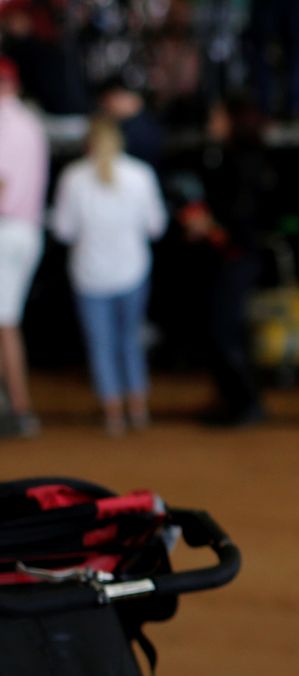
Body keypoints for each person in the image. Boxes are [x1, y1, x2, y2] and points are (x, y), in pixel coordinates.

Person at [50, 116, 167, 436]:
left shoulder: (73, 178)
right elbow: (156, 226)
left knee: (102, 344)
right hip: (133, 269)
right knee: (130, 338)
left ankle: (113, 413)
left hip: (89, 274)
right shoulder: (140, 174)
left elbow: (63, 230)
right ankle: (138, 408)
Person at [181, 96, 271, 427]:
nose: (211, 123)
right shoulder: (225, 158)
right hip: (224, 258)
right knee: (219, 330)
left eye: (217, 116)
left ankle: (246, 401)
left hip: (238, 259)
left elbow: (245, 217)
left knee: (225, 331)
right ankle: (231, 399)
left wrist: (211, 225)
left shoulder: (246, 162)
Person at [0, 56, 47, 439]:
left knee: (4, 324)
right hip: (26, 229)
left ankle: (19, 409)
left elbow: (2, 184)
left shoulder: (5, 123)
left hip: (7, 229)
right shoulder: (30, 121)